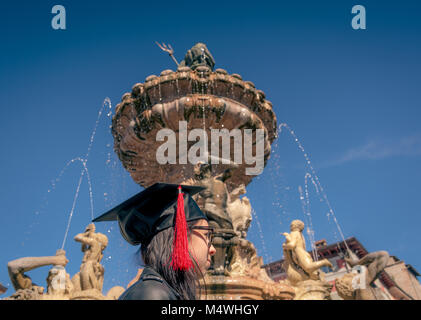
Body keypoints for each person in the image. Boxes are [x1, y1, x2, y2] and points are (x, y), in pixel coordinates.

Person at [93, 183, 216, 300]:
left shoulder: (161, 291)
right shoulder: (153, 294)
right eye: (206, 235)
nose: (213, 249)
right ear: (179, 237)